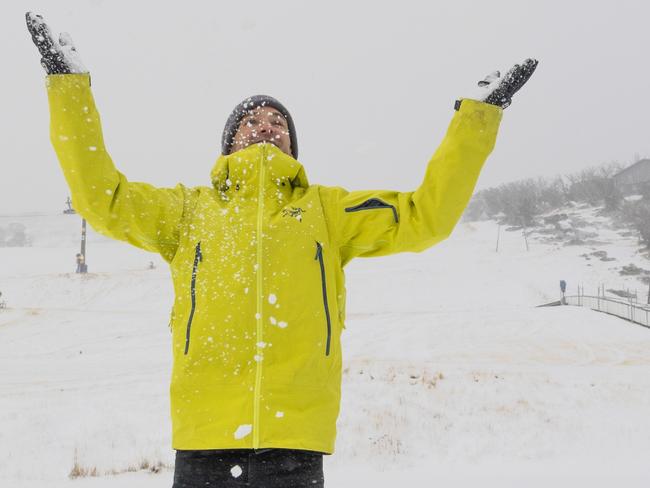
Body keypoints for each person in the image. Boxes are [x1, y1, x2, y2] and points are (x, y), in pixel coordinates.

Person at [26, 12, 537, 488]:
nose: (266, 125)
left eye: (278, 122)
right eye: (251, 121)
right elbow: (101, 197)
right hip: (204, 437)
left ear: (293, 145)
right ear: (228, 143)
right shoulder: (188, 211)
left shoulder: (326, 211)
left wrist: (477, 117)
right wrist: (68, 86)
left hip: (295, 443)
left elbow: (425, 216)